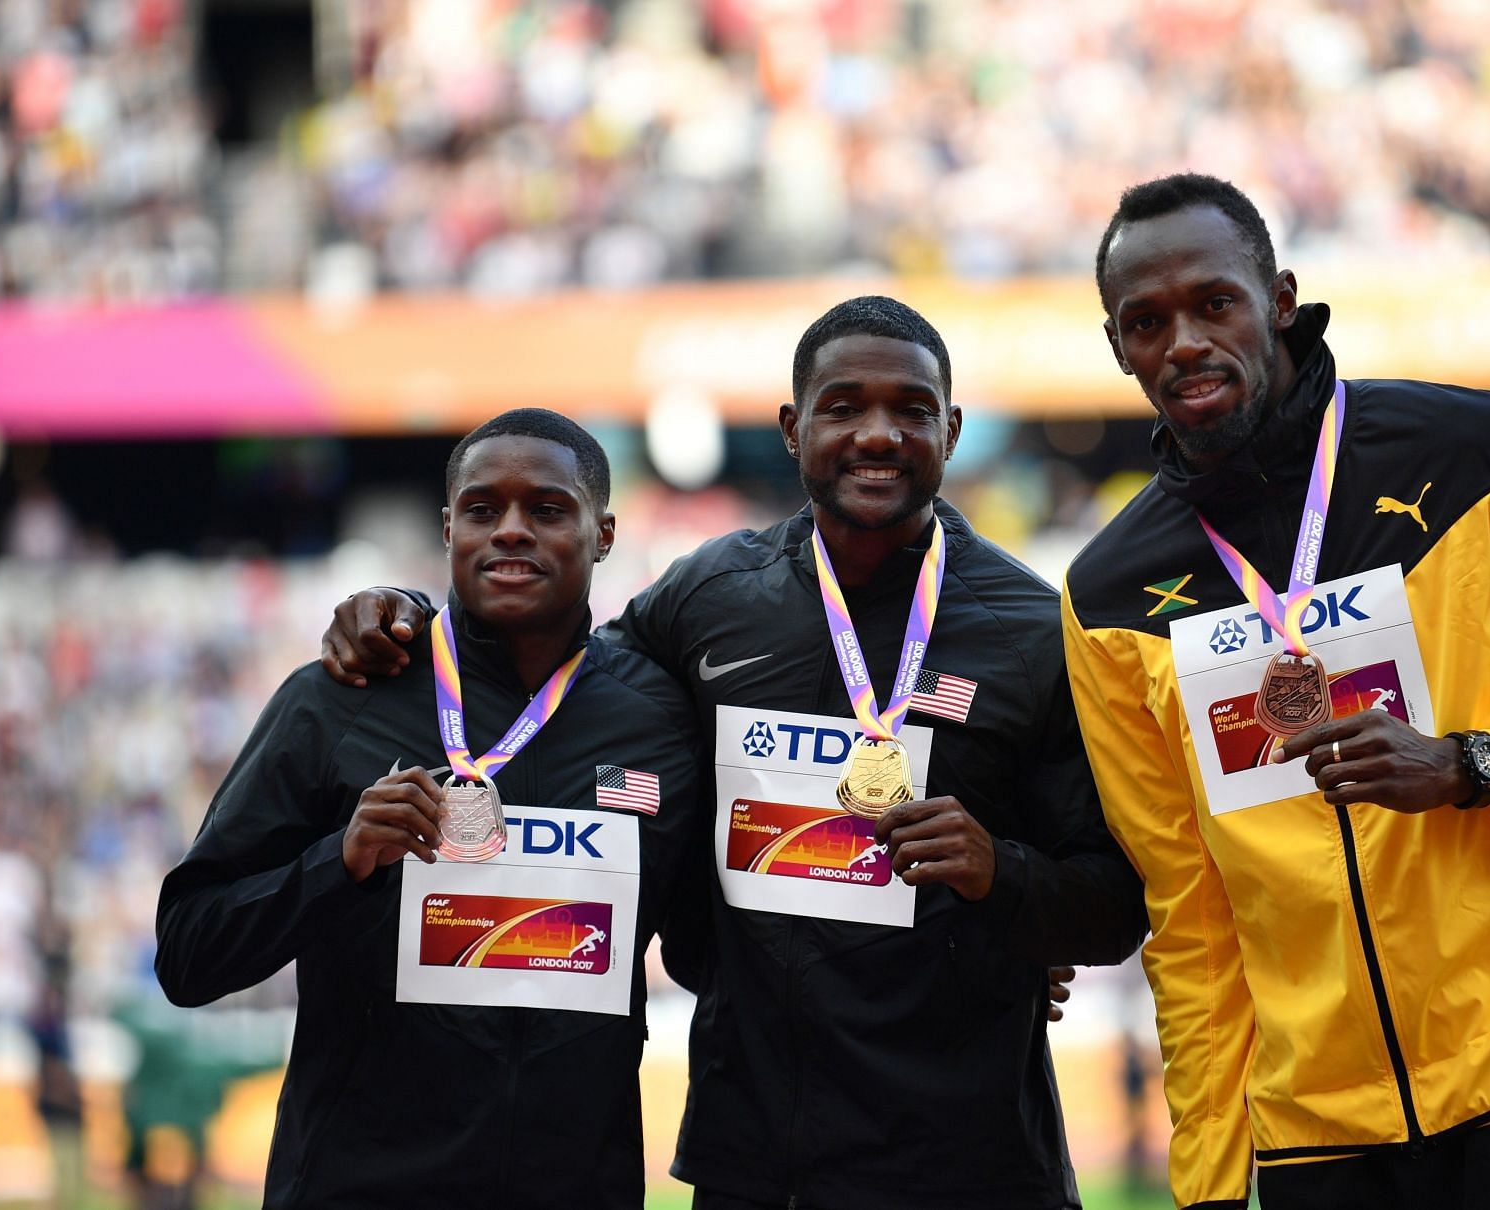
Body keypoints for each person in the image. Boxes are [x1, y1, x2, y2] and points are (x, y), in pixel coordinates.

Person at [321, 296, 1148, 1209]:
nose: (878, 434)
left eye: (911, 410)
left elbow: (1114, 910)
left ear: (950, 430)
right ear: (794, 429)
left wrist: (1003, 875)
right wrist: (409, 608)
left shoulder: (1035, 630)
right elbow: (551, 675)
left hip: (969, 1161)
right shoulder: (709, 595)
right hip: (753, 1161)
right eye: (844, 407)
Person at [1060, 174, 1490, 1210]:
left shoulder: (1484, 451)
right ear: (1117, 346)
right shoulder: (1107, 594)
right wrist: (1204, 1188)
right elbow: (1192, 920)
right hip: (1319, 1141)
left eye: (1215, 302)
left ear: (1279, 297)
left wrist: (1472, 763)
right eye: (1146, 321)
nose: (1184, 341)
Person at [156, 409, 706, 1208]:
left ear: (605, 532)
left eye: (547, 510)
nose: (511, 531)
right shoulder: (341, 696)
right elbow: (188, 953)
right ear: (449, 529)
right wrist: (336, 863)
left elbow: (713, 942)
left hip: (576, 1186)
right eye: (483, 510)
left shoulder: (659, 718)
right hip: (360, 1185)